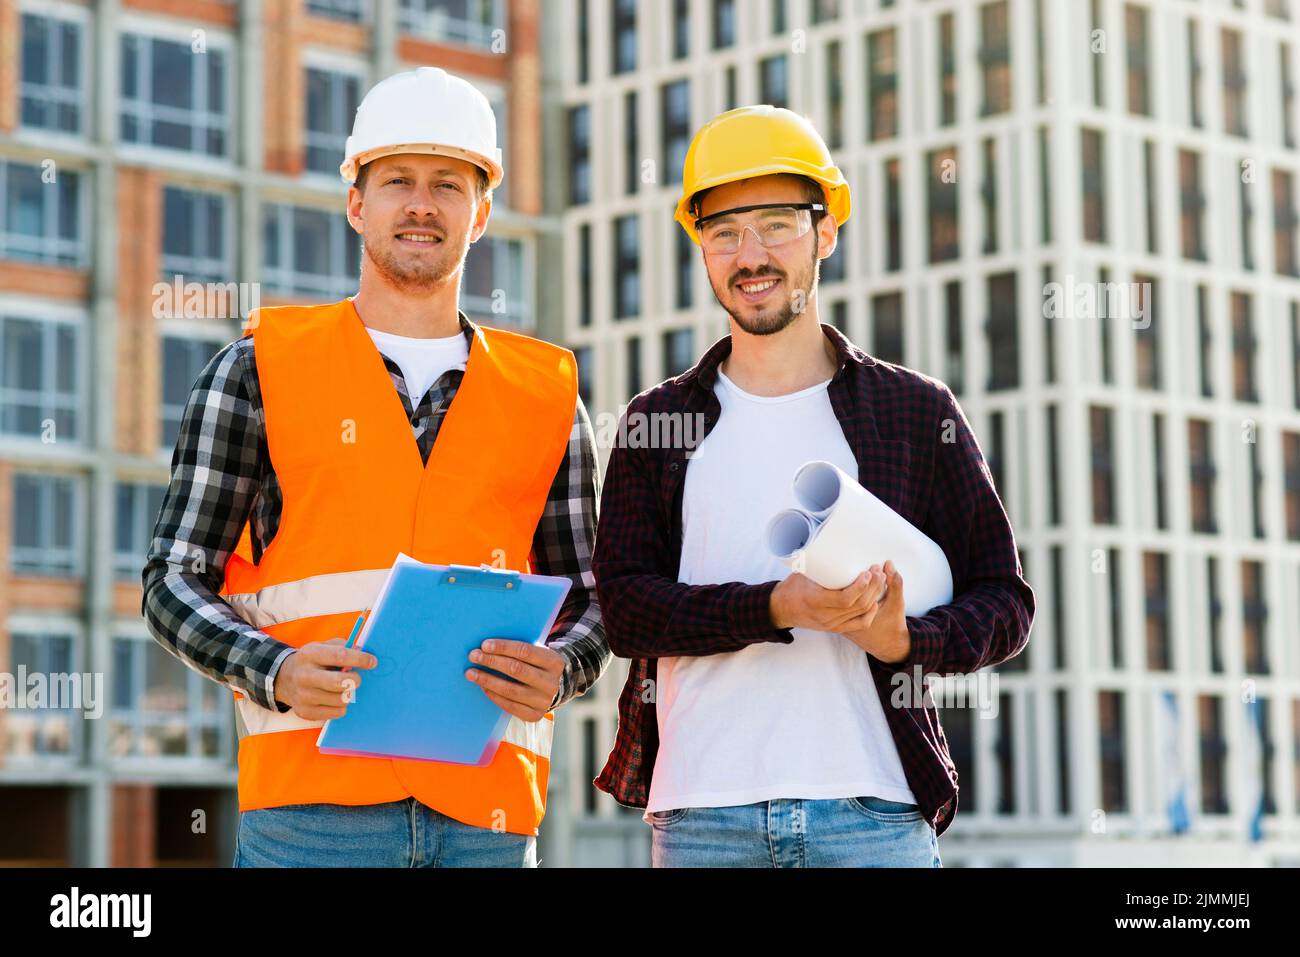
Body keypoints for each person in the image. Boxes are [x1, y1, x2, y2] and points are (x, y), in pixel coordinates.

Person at [142, 67, 608, 867]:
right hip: (310, 816)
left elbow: (596, 594)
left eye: (448, 184)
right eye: (397, 181)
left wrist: (564, 668)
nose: (421, 204)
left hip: (487, 815)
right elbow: (173, 579)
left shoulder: (548, 394)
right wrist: (274, 668)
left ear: (482, 211)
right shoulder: (257, 370)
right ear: (357, 203)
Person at [591, 106, 1035, 867]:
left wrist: (905, 639)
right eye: (724, 231)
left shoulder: (912, 410)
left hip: (874, 814)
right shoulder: (656, 421)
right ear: (700, 246)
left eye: (777, 224)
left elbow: (1005, 600)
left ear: (826, 233)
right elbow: (627, 610)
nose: (750, 254)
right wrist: (774, 606)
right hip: (704, 818)